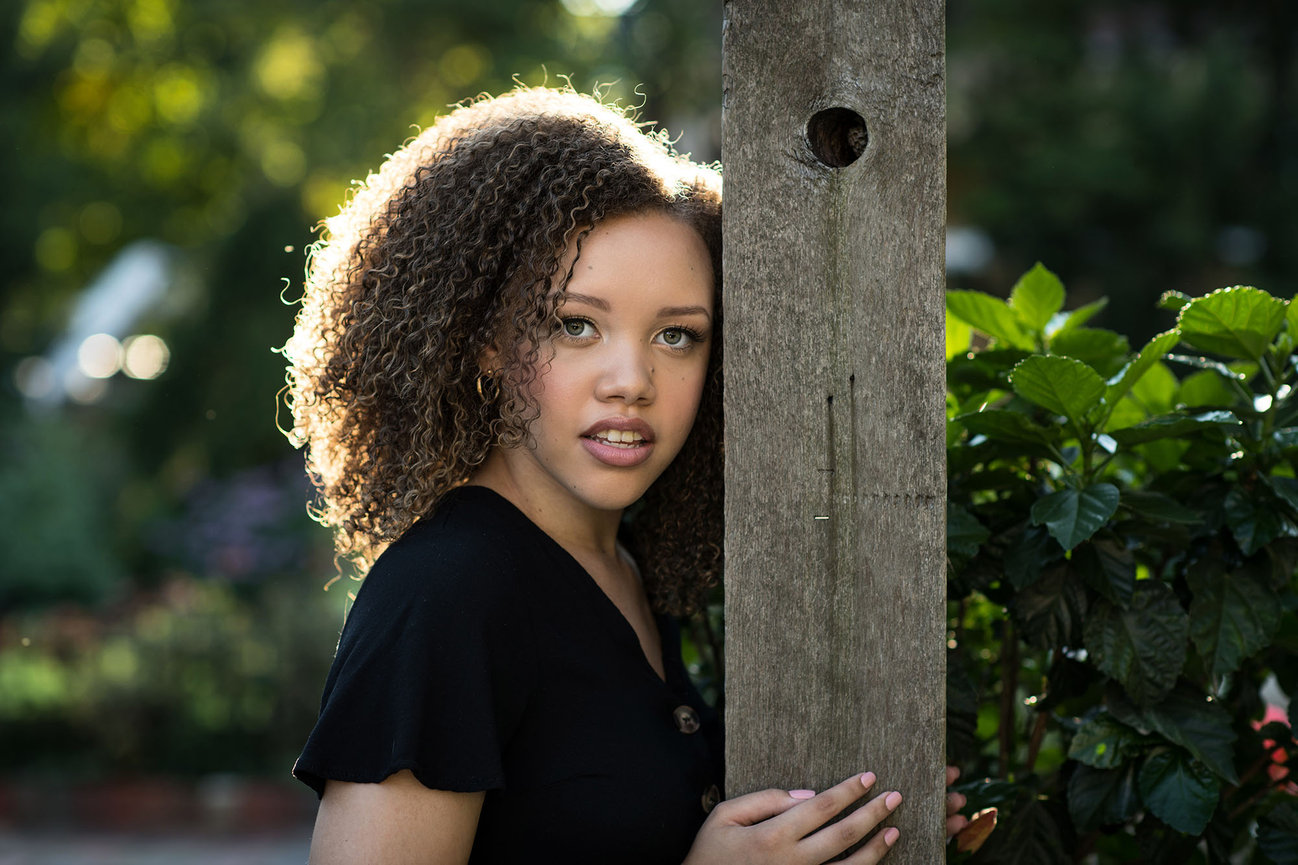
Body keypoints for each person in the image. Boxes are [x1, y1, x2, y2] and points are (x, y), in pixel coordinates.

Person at [282, 85, 967, 864]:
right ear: (483, 338)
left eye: (677, 335)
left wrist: (861, 828)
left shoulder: (630, 566)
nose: (631, 380)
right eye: (576, 325)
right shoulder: (447, 591)